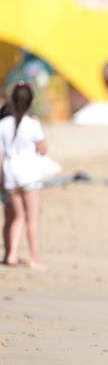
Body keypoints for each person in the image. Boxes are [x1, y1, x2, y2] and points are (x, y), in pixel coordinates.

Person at [0, 82, 46, 268]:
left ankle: (11, 254)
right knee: (32, 218)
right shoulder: (33, 124)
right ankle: (34, 257)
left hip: (10, 173)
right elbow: (43, 149)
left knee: (16, 217)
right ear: (31, 102)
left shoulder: (3, 124)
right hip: (30, 175)